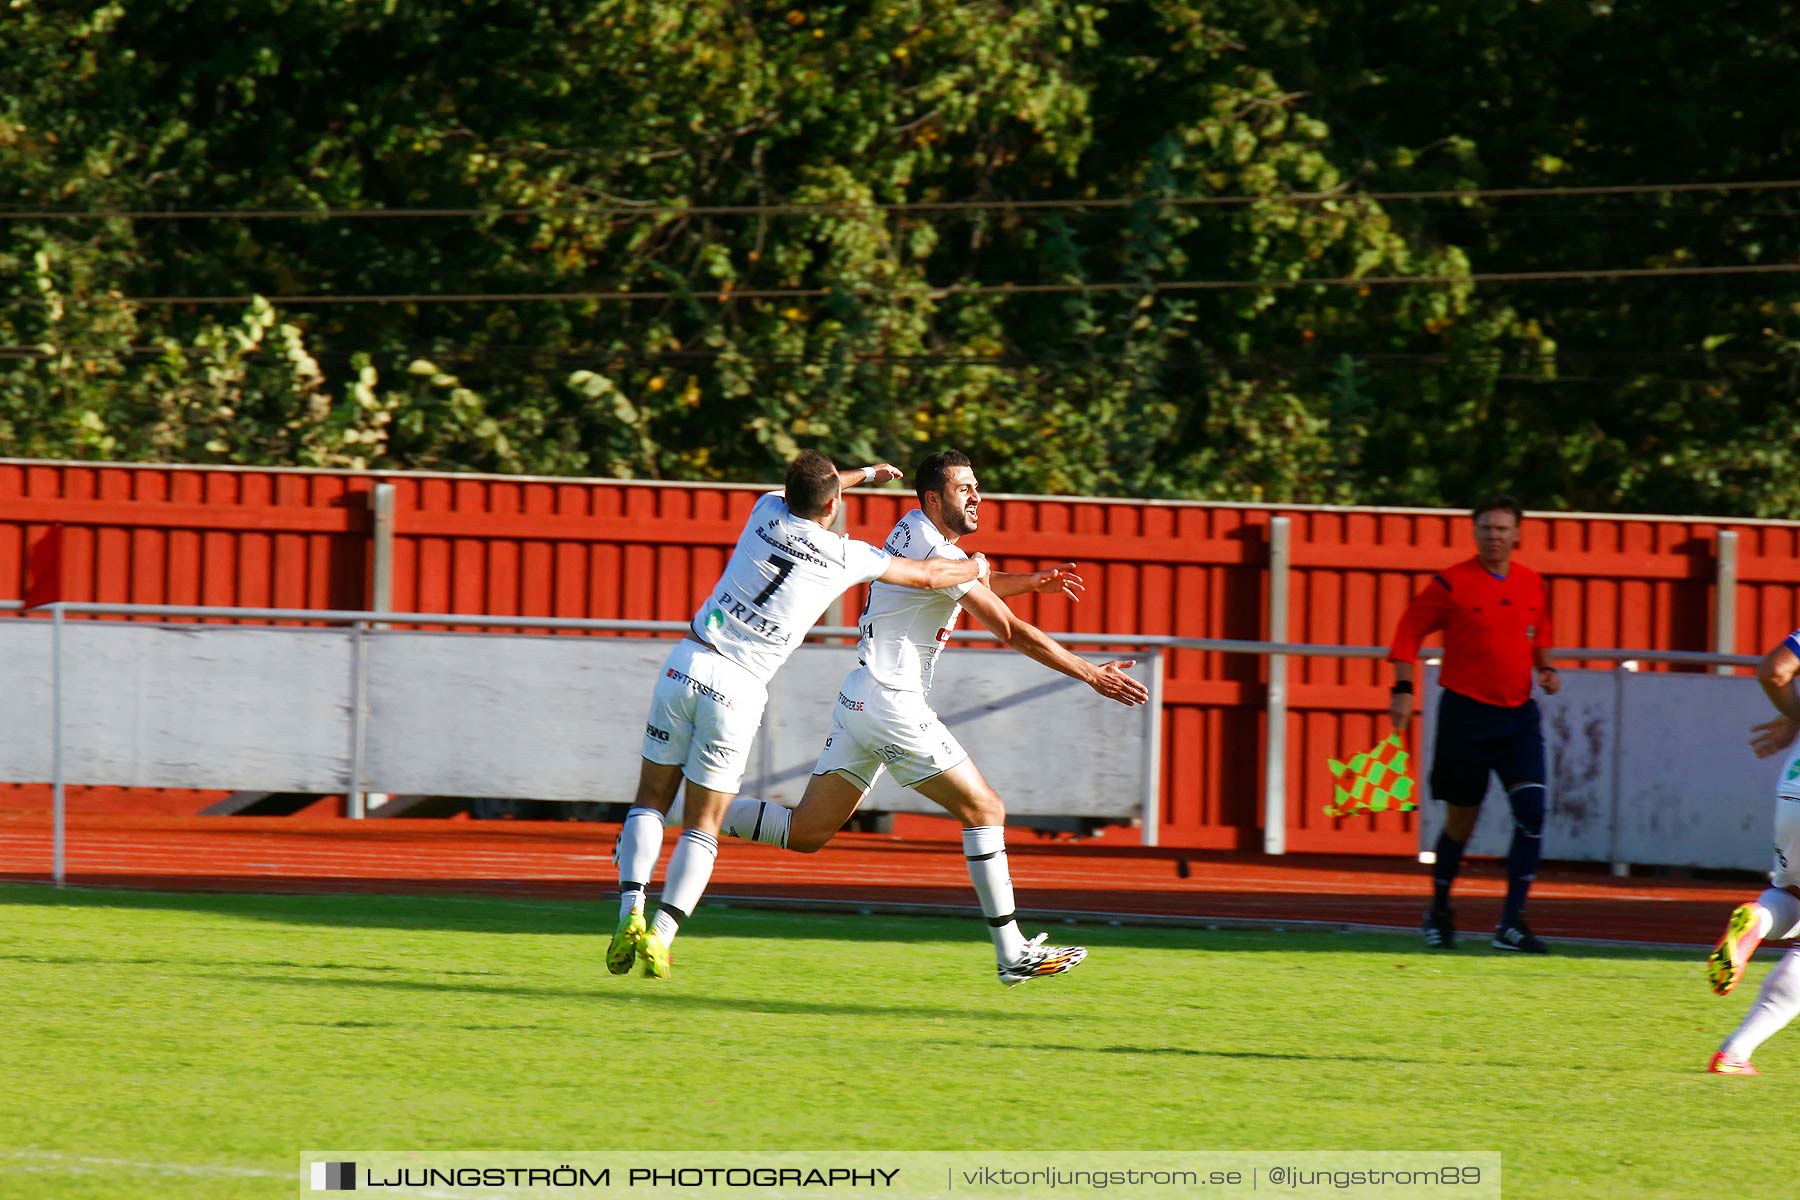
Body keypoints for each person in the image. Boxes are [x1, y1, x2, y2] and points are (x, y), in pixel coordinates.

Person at [715, 449, 1150, 986]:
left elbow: (969, 588)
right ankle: (1012, 951)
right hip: (892, 703)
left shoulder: (918, 534)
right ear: (932, 498)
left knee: (805, 833)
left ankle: (691, 811)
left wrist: (1030, 582)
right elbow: (1008, 630)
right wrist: (1090, 673)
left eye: (976, 487)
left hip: (863, 699)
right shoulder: (930, 543)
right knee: (985, 808)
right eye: (964, 488)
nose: (976, 497)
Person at [609, 450, 990, 979]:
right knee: (703, 826)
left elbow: (813, 489)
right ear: (833, 505)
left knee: (650, 800)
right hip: (739, 690)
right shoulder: (843, 554)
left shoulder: (764, 509)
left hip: (687, 661)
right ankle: (663, 936)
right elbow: (927, 577)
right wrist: (976, 567)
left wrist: (864, 476)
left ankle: (630, 909)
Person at [1388, 494, 1559, 953]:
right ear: (1474, 532)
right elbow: (1407, 632)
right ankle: (1440, 910)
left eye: (1503, 529)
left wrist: (1545, 666)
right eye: (1486, 528)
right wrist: (1403, 690)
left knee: (1532, 812)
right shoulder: (1450, 583)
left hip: (1518, 714)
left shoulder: (1531, 583)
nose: (1494, 536)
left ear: (1517, 534)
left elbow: (1537, 631)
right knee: (1462, 820)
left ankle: (1512, 922)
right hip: (1466, 714)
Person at [1703, 627, 1800, 1074]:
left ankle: (1757, 921)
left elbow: (1773, 671)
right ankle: (1737, 1050)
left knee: (1795, 899)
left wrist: (1797, 717)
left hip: (1793, 788)